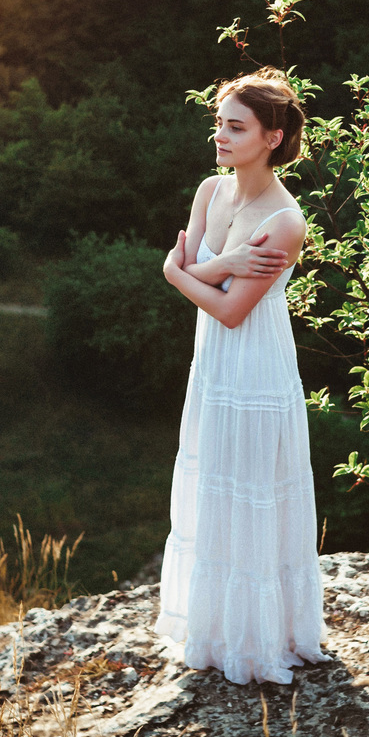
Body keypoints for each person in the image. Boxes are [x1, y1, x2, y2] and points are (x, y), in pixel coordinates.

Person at [156, 68, 328, 685]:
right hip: (214, 372)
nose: (220, 138)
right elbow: (212, 274)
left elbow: (228, 307)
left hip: (254, 367)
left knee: (253, 489)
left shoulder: (284, 221)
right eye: (219, 125)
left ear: (273, 138)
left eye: (236, 127)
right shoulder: (210, 191)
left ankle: (260, 640)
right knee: (215, 486)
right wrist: (220, 265)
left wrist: (180, 276)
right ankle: (217, 626)